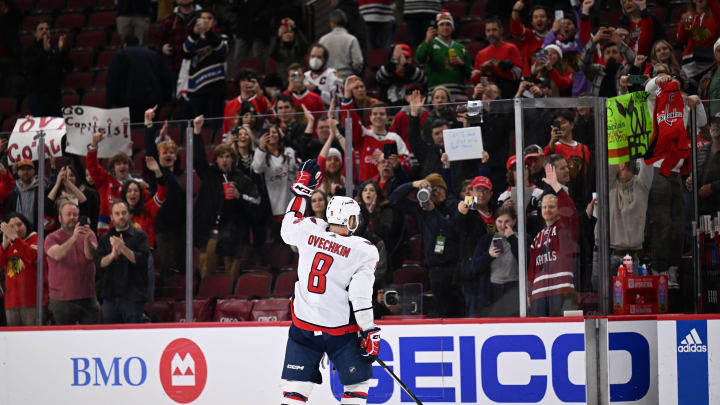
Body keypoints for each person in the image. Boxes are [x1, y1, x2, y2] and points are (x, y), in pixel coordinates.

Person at [279, 160, 380, 405]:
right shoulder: (363, 249)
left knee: (295, 389)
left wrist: (301, 190)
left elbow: (287, 226)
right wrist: (369, 331)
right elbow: (359, 297)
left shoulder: (310, 228)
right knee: (357, 385)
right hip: (339, 331)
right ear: (352, 221)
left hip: (303, 326)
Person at [193, 116, 261, 277]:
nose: (224, 160)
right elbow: (199, 161)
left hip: (234, 236)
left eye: (228, 156)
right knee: (206, 278)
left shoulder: (242, 179)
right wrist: (197, 132)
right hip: (211, 234)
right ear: (215, 160)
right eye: (221, 157)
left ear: (233, 159)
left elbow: (257, 202)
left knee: (232, 279)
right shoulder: (209, 175)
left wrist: (239, 196)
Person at [389, 173, 462, 317]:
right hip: (435, 268)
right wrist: (413, 184)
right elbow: (394, 199)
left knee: (457, 309)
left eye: (439, 188)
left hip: (456, 267)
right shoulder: (420, 209)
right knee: (442, 310)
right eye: (432, 189)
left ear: (445, 189)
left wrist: (433, 212)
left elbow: (450, 230)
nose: (436, 192)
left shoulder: (454, 205)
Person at [589, 159, 653, 290]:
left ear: (623, 165)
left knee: (629, 304)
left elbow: (648, 159)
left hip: (630, 257)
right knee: (601, 303)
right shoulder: (608, 184)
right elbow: (610, 163)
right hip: (604, 254)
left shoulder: (642, 185)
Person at [528, 164, 579, 316]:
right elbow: (532, 269)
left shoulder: (564, 229)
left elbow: (571, 214)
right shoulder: (537, 238)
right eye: (544, 207)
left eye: (551, 207)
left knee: (567, 333)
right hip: (539, 294)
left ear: (559, 209)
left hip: (562, 291)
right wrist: (529, 292)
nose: (547, 210)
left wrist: (556, 186)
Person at [341, 76, 411, 181]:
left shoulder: (395, 138)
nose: (378, 116)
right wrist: (347, 95)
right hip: (366, 188)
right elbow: (350, 121)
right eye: (375, 114)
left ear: (387, 118)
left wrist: (391, 160)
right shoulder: (363, 134)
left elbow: (408, 163)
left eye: (382, 114)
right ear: (370, 117)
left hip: (387, 187)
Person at [95, 200, 151, 324]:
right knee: (111, 337)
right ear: (112, 217)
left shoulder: (140, 236)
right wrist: (112, 255)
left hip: (133, 297)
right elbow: (99, 263)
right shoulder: (105, 238)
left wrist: (123, 248)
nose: (121, 216)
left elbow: (142, 260)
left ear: (129, 214)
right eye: (117, 213)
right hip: (110, 296)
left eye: (124, 212)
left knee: (133, 337)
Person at [45, 202, 99, 325]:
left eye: (75, 215)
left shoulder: (89, 234)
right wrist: (74, 238)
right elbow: (57, 254)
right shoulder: (51, 238)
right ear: (60, 218)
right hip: (62, 299)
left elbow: (91, 255)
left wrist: (86, 240)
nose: (72, 217)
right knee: (64, 340)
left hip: (88, 297)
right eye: (68, 214)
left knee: (91, 338)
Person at [473, 206, 528, 317]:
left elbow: (528, 261)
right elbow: (475, 267)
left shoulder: (523, 238)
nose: (503, 225)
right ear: (495, 221)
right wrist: (488, 256)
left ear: (514, 221)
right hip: (492, 290)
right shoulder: (486, 240)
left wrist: (512, 238)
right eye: (500, 221)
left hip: (515, 289)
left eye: (507, 221)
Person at [107, 35, 173, 123]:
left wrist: (111, 101)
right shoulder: (153, 54)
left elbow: (113, 79)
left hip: (128, 103)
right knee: (149, 130)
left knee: (134, 133)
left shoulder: (120, 54)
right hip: (152, 101)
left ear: (125, 44)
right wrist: (165, 99)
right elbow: (165, 77)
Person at [86, 132, 142, 235]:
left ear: (129, 166)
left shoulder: (137, 186)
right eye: (118, 164)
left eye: (125, 163)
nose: (122, 166)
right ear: (113, 167)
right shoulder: (105, 181)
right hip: (107, 232)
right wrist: (93, 145)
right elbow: (92, 166)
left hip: (131, 231)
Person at [181, 10, 228, 132]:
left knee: (214, 127)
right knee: (197, 127)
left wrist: (208, 33)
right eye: (203, 18)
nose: (206, 21)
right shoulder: (192, 39)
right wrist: (195, 33)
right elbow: (185, 52)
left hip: (216, 88)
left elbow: (222, 52)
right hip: (196, 88)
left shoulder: (221, 38)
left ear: (214, 22)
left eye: (209, 18)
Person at [456, 176, 496, 317]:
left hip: (494, 265)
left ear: (491, 194)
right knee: (474, 309)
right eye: (478, 190)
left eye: (485, 191)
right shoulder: (468, 211)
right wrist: (461, 213)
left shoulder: (495, 210)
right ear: (471, 192)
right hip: (472, 268)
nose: (481, 194)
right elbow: (458, 225)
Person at [252, 124, 299, 240]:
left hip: (292, 201)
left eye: (274, 132)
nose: (271, 135)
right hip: (274, 205)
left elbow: (297, 169)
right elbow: (257, 168)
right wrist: (261, 148)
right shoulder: (261, 154)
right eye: (268, 133)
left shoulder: (289, 151)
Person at [415, 10, 472, 101]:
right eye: (442, 24)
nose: (445, 27)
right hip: (436, 96)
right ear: (437, 28)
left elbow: (470, 74)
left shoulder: (461, 48)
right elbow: (419, 58)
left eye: (448, 24)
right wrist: (427, 41)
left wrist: (461, 64)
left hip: (458, 94)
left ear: (453, 28)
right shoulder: (429, 44)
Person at [0, 212, 43, 326]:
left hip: (33, 302)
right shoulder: (7, 245)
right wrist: (4, 245)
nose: (17, 229)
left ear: (26, 224)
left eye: (19, 224)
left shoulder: (35, 239)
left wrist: (15, 239)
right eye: (12, 227)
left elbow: (32, 257)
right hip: (11, 303)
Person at [23, 21, 72, 117]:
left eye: (47, 29)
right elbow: (30, 67)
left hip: (55, 95)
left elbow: (69, 67)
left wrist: (62, 51)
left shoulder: (56, 48)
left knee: (57, 127)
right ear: (35, 34)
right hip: (38, 96)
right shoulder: (30, 50)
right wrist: (45, 52)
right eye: (41, 29)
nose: (44, 31)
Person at [472, 18, 522, 99]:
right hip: (488, 97)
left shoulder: (511, 48)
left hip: (508, 93)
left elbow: (517, 74)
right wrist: (483, 71)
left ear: (501, 31)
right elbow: (475, 80)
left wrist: (495, 65)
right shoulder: (481, 53)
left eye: (494, 30)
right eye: (488, 31)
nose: (491, 33)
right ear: (485, 33)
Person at [579, 29, 635, 97]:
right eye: (607, 53)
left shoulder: (624, 72)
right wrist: (594, 41)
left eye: (614, 52)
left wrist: (619, 43)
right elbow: (583, 65)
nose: (611, 55)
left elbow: (633, 62)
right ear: (603, 57)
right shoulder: (597, 72)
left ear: (621, 57)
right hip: (598, 107)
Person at [678, 0, 720, 88]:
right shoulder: (688, 16)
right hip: (690, 62)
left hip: (710, 61)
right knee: (688, 91)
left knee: (707, 90)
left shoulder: (715, 15)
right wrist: (683, 25)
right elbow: (681, 39)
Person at [687, 112, 720, 216]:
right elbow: (695, 173)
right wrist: (691, 181)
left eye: (719, 123)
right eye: (712, 123)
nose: (715, 126)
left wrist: (712, 187)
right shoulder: (701, 150)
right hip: (702, 207)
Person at [158, 0, 200, 76]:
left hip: (198, 66)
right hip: (174, 66)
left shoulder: (202, 18)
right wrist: (162, 47)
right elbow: (158, 40)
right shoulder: (168, 20)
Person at [319, 9, 364, 78]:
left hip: (328, 78)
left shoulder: (323, 40)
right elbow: (358, 62)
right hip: (348, 78)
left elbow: (320, 61)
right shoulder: (352, 39)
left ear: (332, 23)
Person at [223, 68, 270, 134]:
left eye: (250, 80)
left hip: (256, 138)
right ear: (239, 82)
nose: (247, 83)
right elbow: (226, 127)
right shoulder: (229, 104)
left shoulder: (260, 100)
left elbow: (267, 113)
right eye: (244, 80)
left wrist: (258, 91)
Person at [510, 1, 551, 77]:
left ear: (549, 20)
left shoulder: (556, 39)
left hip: (551, 82)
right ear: (532, 22)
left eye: (542, 16)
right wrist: (515, 10)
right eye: (535, 17)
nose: (539, 19)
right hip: (529, 82)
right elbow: (515, 28)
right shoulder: (527, 35)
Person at [5, 159, 48, 228]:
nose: (25, 172)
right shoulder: (14, 191)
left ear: (33, 171)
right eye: (22, 169)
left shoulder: (42, 188)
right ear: (18, 172)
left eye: (28, 169)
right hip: (17, 230)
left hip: (36, 230)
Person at [270, 18, 309, 87]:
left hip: (297, 80)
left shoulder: (298, 48)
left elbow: (305, 46)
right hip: (283, 81)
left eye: (290, 32)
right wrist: (277, 36)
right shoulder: (278, 50)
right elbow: (272, 52)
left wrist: (296, 29)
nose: (288, 34)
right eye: (285, 33)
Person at [304, 43, 344, 107]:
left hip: (328, 114)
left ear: (325, 59)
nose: (315, 60)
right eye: (313, 56)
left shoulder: (334, 74)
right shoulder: (304, 76)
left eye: (319, 57)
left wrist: (318, 91)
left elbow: (338, 100)